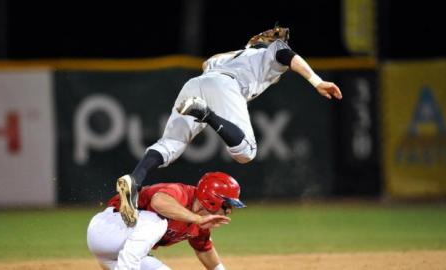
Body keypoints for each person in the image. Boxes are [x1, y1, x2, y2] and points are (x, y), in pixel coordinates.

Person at [116, 24, 342, 226]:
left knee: (171, 143)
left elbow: (211, 65)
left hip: (197, 83)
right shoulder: (269, 51)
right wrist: (317, 81)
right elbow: (286, 54)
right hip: (226, 86)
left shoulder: (225, 56)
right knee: (246, 151)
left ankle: (135, 180)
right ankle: (206, 114)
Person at [87, 171, 244, 270]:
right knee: (157, 221)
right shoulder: (181, 192)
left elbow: (204, 249)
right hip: (107, 229)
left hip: (118, 253)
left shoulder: (201, 221)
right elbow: (159, 202)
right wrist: (197, 218)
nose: (229, 211)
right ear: (212, 199)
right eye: (227, 204)